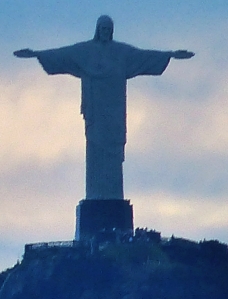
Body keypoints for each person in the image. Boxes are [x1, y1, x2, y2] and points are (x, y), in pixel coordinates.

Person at [15, 15, 193, 200]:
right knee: (95, 150)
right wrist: (37, 54)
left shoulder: (121, 53)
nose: (106, 33)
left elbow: (144, 56)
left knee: (114, 150)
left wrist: (170, 55)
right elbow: (63, 54)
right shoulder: (86, 51)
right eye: (103, 29)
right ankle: (96, 195)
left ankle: (113, 195)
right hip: (95, 111)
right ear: (97, 30)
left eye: (108, 29)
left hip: (115, 111)